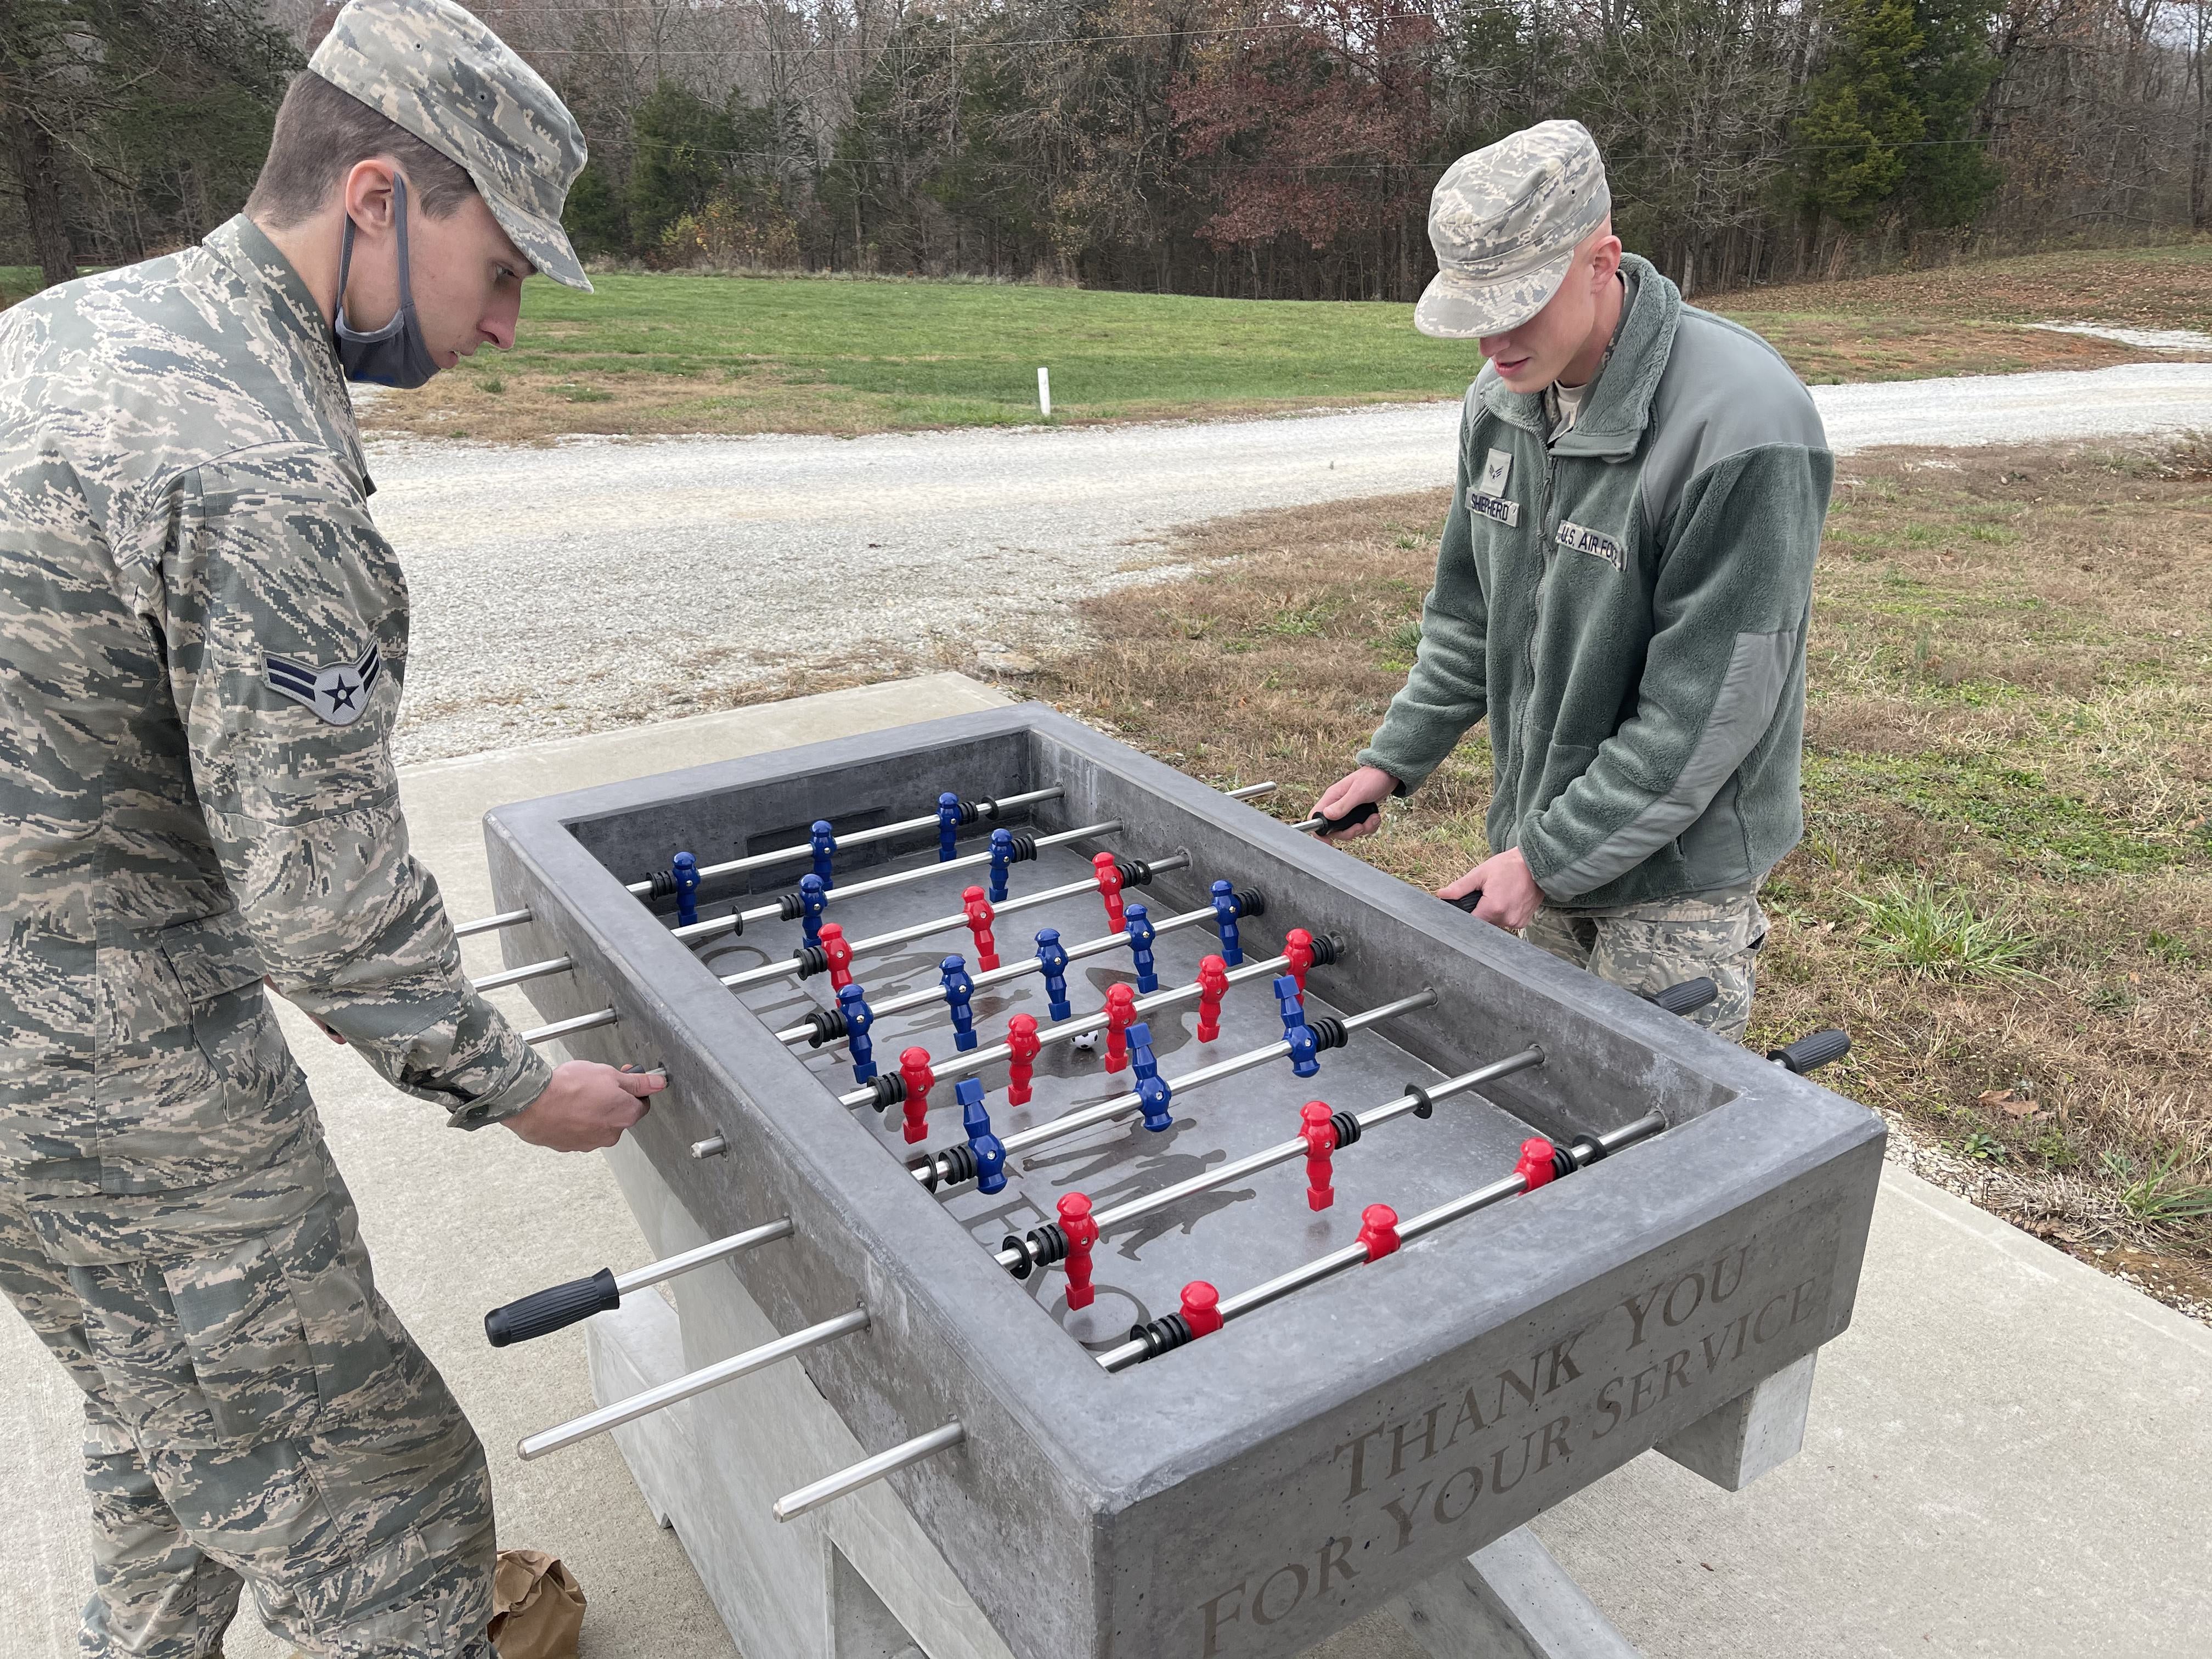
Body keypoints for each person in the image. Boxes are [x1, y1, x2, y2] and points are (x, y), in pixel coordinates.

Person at [0, 3, 661, 1654]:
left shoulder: (80, 330)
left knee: (176, 1437)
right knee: (384, 1507)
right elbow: (326, 904)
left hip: (37, 1092)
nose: (507, 325)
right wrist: (518, 1086)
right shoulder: (262, 473)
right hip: (108, 1079)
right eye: (500, 268)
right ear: (378, 197)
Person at [1314, 121, 1832, 1041]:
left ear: (1603, 261)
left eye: (1520, 306)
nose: (1494, 345)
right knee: (1537, 1098)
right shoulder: (1502, 401)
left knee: (1653, 1131)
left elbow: (1707, 709)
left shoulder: (1743, 424)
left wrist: (1545, 858)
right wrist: (1391, 760)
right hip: (1539, 835)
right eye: (1476, 315)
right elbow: (1471, 614)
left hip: (1675, 876)